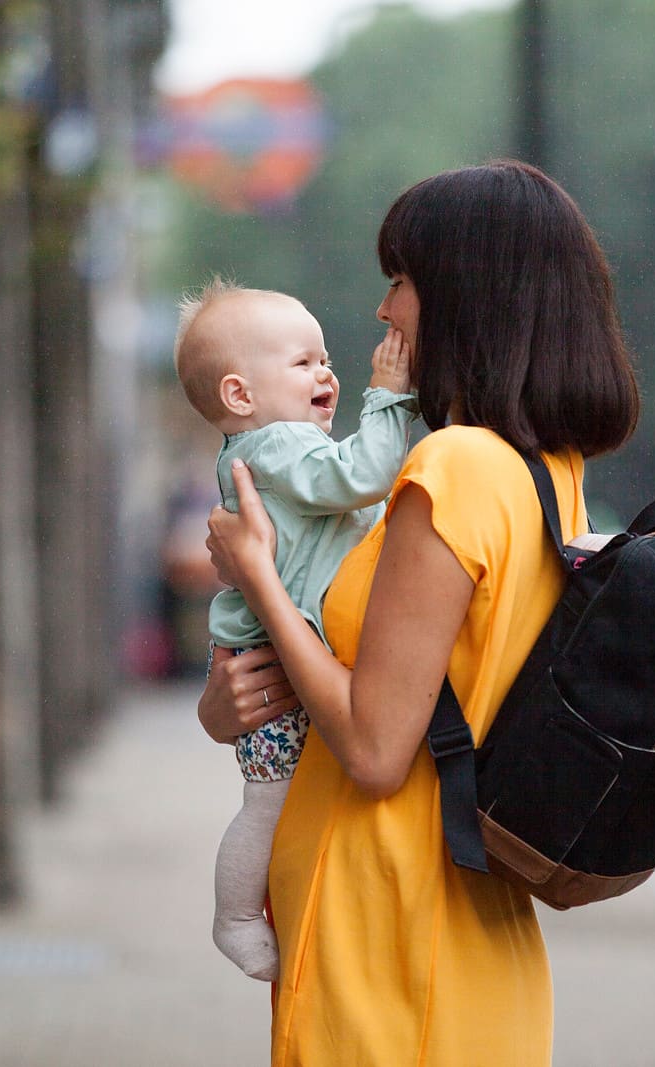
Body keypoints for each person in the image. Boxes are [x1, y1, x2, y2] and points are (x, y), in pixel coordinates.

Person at [199, 160, 641, 1065]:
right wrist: (225, 705)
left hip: (391, 928)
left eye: (400, 281)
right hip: (443, 920)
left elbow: (372, 744)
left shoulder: (453, 472)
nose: (384, 310)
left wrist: (258, 578)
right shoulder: (545, 470)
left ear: (465, 295)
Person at [172, 277, 418, 982]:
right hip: (264, 658)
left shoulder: (282, 454)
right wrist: (391, 395)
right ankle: (236, 915)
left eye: (326, 358)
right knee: (269, 797)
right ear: (240, 397)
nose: (327, 372)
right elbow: (364, 475)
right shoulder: (274, 447)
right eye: (303, 361)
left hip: (280, 650)